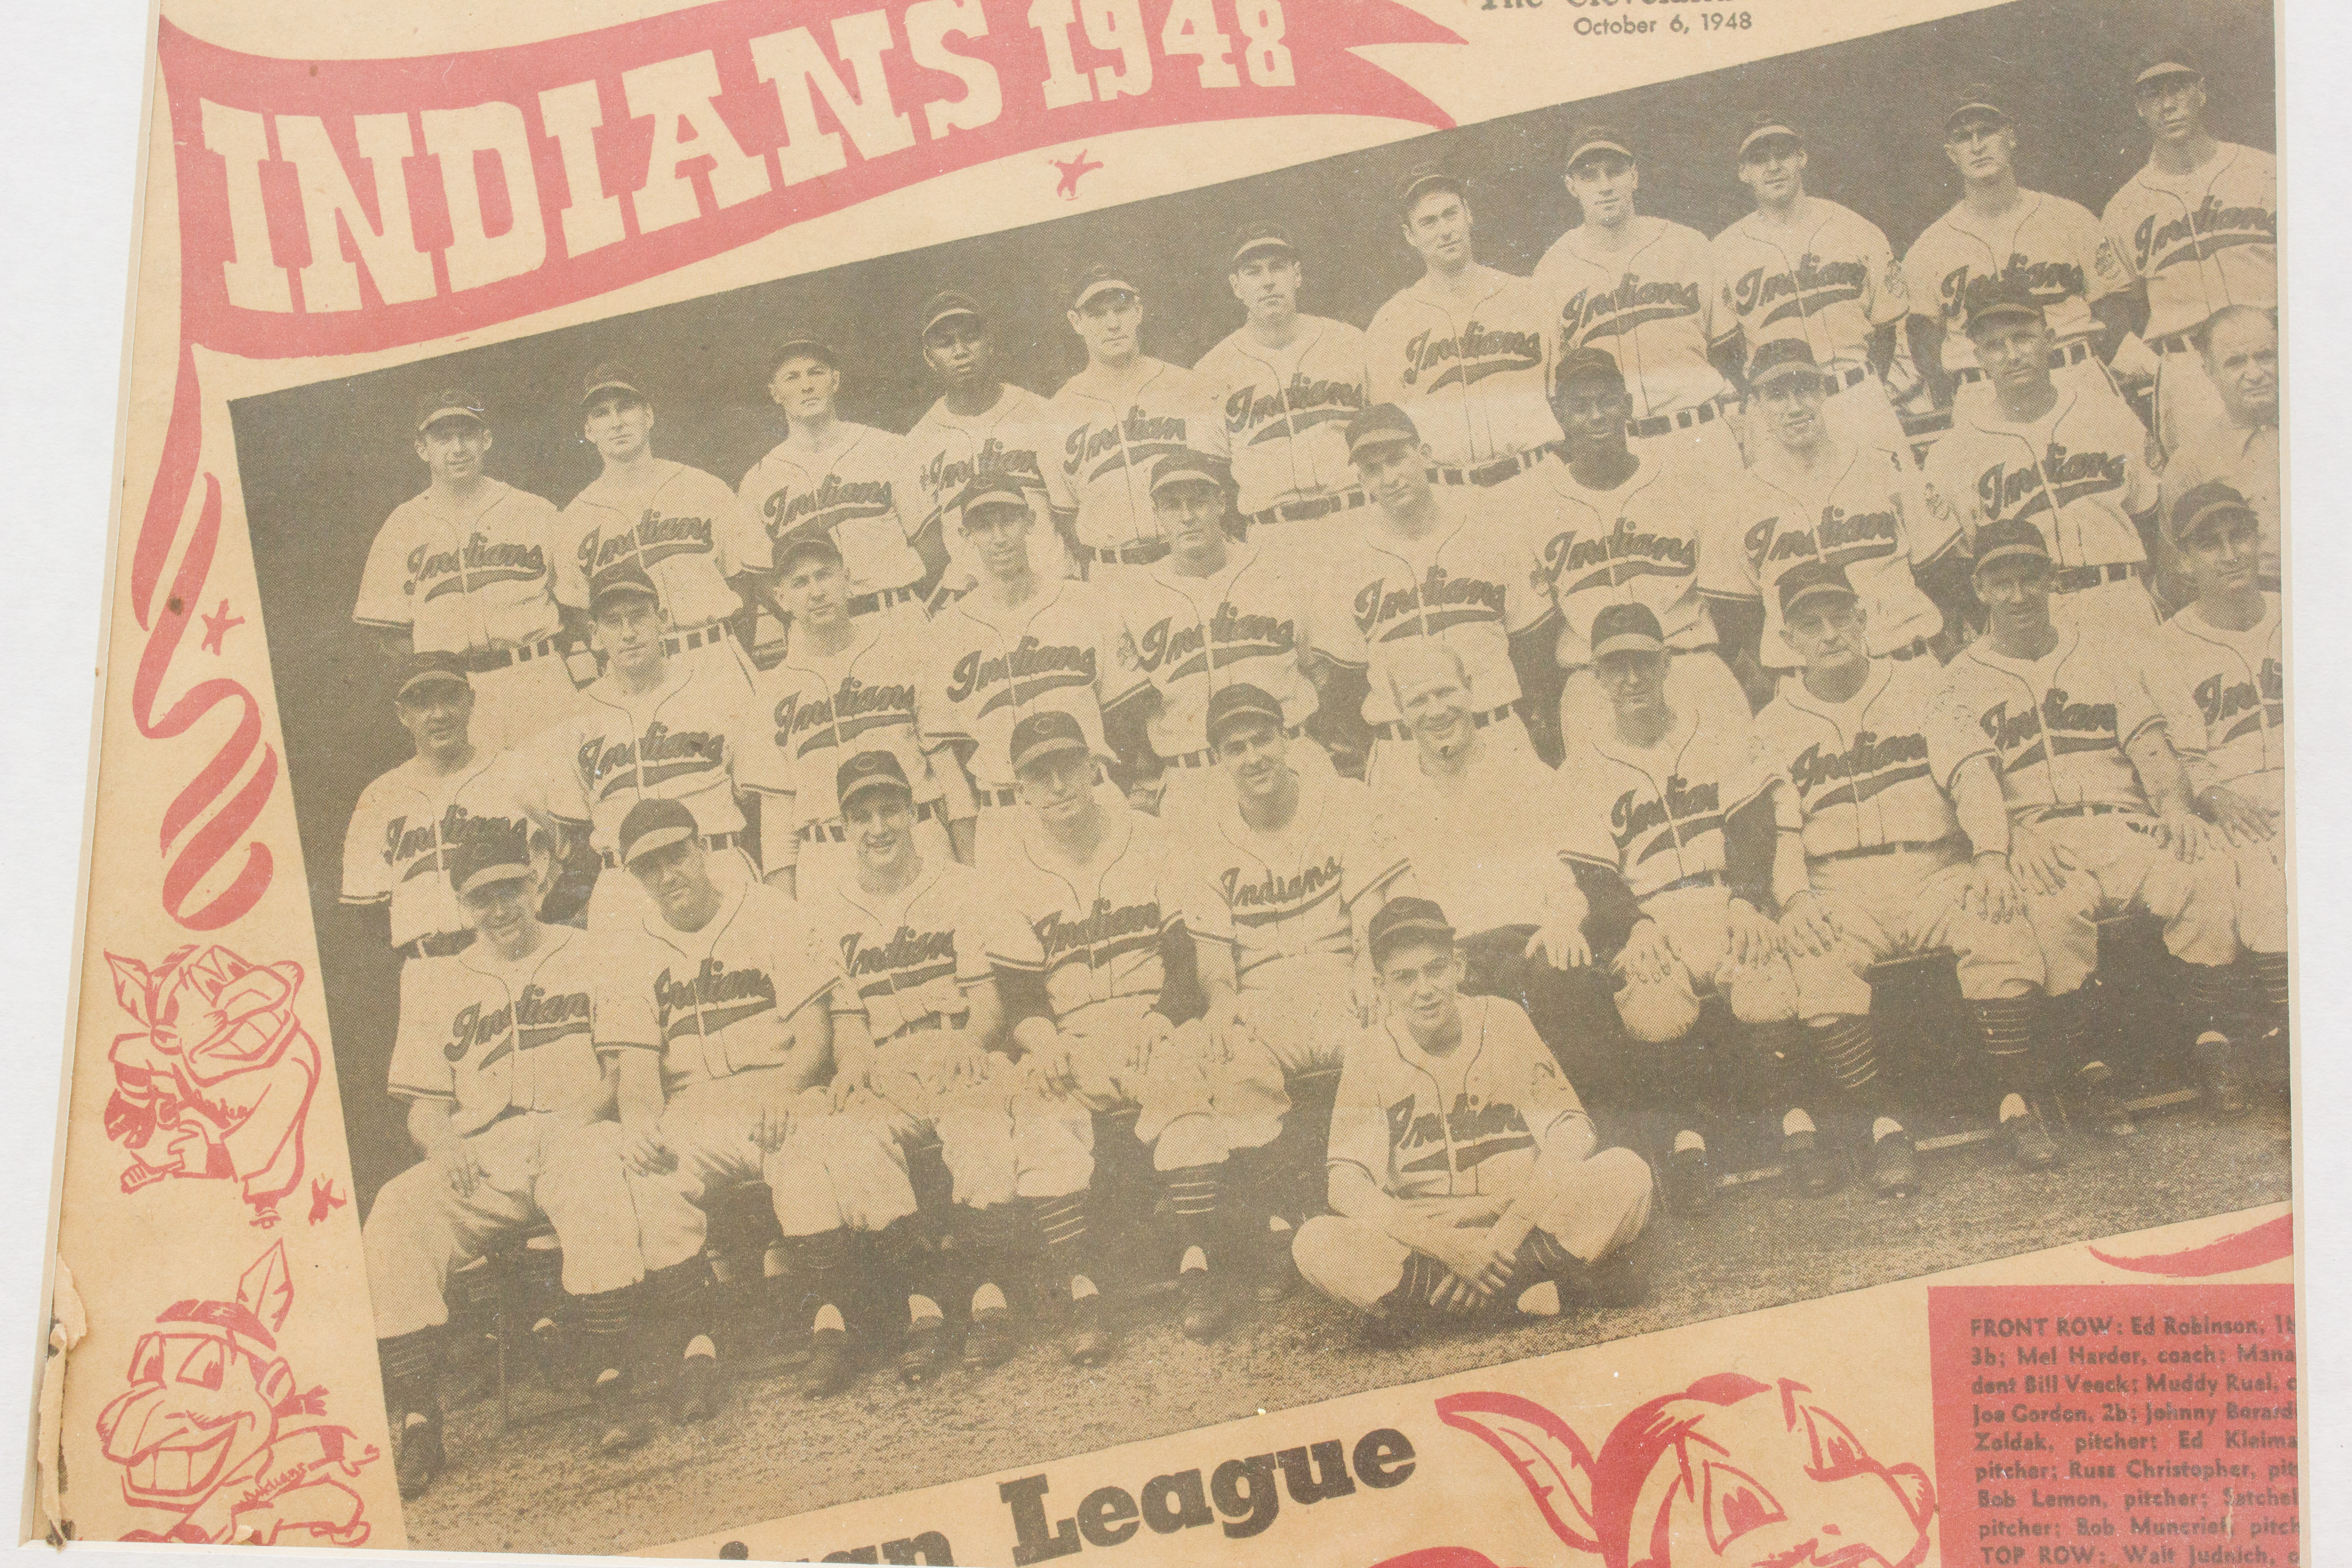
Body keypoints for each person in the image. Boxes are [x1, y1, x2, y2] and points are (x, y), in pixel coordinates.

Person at [364, 822, 705, 1499]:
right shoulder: (434, 981)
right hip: (482, 1150)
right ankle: (419, 1419)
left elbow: (620, 1070)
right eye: (483, 898)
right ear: (464, 905)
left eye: (512, 890)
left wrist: (574, 1121)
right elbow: (424, 1108)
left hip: (576, 1126)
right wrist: (446, 1144)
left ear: (537, 882)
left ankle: (611, 1384)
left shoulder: (592, 952)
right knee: (395, 1213)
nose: (501, 909)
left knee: (594, 1179)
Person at [1923, 517, 2244, 1151]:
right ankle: (2091, 1072)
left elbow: (2150, 745)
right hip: (2040, 835)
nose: (2019, 595)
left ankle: (2214, 1043)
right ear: (1980, 589)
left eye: (2030, 578)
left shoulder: (2100, 650)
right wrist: (2009, 838)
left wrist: (2177, 809)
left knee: (2202, 869)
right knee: (2045, 910)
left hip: (2120, 821)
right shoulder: (1956, 679)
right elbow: (1973, 780)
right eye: (2002, 582)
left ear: (2052, 580)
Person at [600, 797, 921, 1400]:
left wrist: (787, 1087)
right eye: (650, 868)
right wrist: (640, 1123)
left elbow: (815, 1031)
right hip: (692, 1108)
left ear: (703, 849)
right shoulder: (630, 949)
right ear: (636, 879)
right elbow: (638, 1076)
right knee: (645, 1177)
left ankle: (832, 1323)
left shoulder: (770, 910)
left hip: (774, 1085)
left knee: (807, 1153)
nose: (668, 876)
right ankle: (701, 1343)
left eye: (676, 856)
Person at [1757, 562, 2057, 1193]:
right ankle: (1884, 1127)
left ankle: (2015, 1104)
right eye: (1811, 624)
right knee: (1817, 962)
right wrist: (1795, 901)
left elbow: (1974, 777)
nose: (1830, 634)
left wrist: (1992, 858)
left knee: (1998, 920)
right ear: (1788, 641)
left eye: (1841, 618)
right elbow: (1782, 834)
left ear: (1864, 622)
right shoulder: (1771, 725)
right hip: (1839, 884)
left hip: (1933, 867)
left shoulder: (1922, 686)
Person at [1555, 603, 1833, 1213]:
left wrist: (1747, 901)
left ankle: (1798, 1124)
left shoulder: (1719, 737)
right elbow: (1593, 875)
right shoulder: (1581, 769)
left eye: (1643, 664)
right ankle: (1689, 1145)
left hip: (1721, 894)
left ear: (1668, 663)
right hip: (1651, 909)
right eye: (1615, 668)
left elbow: (1756, 830)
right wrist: (1635, 926)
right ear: (1596, 678)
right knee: (1654, 1001)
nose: (1631, 680)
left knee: (1762, 974)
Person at [1291, 897, 1653, 1340]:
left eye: (1435, 969)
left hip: (1527, 1217)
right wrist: (1447, 1247)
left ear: (1458, 966)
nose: (1424, 989)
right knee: (1315, 1242)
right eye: (1404, 977)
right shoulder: (1370, 1053)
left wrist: (1504, 1239)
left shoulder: (1503, 1019)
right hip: (1430, 1238)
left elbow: (1570, 1132)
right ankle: (1536, 1290)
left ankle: (1440, 1310)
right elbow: (1345, 1183)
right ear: (1381, 986)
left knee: (1626, 1173)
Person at [988, 711, 1237, 1351]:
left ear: (1093, 768)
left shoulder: (1149, 839)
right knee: (1040, 1107)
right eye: (1039, 776)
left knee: (1185, 1082)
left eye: (1068, 766)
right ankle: (1082, 1292)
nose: (1058, 785)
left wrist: (1161, 1018)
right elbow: (1018, 997)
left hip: (1151, 1018)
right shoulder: (1010, 872)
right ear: (1021, 791)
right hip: (1071, 1034)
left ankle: (1198, 1266)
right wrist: (1043, 1044)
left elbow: (1184, 960)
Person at [799, 751, 1035, 1379]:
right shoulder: (827, 909)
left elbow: (989, 1007)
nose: (878, 828)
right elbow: (849, 1026)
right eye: (862, 816)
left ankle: (990, 1298)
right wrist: (854, 1067)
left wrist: (970, 1044)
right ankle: (922, 1302)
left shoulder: (960, 885)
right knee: (852, 1139)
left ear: (913, 812)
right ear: (844, 828)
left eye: (890, 811)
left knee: (981, 1128)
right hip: (886, 1064)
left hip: (958, 1048)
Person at [1179, 683, 1410, 1302]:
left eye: (1262, 739)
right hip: (1262, 993)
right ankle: (1284, 1223)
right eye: (1235, 747)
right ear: (1217, 761)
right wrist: (1221, 1001)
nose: (1253, 757)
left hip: (1338, 974)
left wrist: (1367, 968)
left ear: (1287, 740)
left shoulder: (1341, 804)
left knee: (1383, 1036)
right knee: (1232, 1062)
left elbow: (1370, 915)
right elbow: (1212, 961)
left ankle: (1392, 1208)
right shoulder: (1207, 836)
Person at [1368, 642, 1627, 1111]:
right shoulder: (1393, 803)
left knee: (1564, 976)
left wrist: (1563, 923)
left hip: (1533, 945)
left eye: (1446, 692)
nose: (1436, 711)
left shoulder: (1528, 774)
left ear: (1471, 691)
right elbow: (1400, 907)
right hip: (1455, 960)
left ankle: (1608, 1145)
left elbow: (1575, 878)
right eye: (1418, 701)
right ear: (1401, 714)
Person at [1502, 345, 1754, 751]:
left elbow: (1728, 596)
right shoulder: (1536, 508)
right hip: (1594, 679)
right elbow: (1536, 631)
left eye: (1607, 401)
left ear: (1629, 406)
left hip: (1686, 660)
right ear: (1560, 416)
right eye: (1581, 406)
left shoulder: (1681, 484)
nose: (1597, 415)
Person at [1309, 404, 1552, 783]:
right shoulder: (1344, 565)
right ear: (1362, 482)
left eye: (1396, 460)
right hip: (1401, 748)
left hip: (1495, 730)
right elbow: (1345, 682)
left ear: (1424, 455)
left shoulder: (1491, 535)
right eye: (1374, 470)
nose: (1389, 478)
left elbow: (1533, 644)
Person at [732, 534, 972, 900]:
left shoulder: (904, 655)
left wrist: (970, 874)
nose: (816, 592)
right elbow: (778, 828)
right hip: (828, 854)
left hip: (918, 835)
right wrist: (789, 916)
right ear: (781, 599)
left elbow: (952, 781)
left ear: (847, 578)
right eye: (800, 582)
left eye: (823, 575)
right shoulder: (772, 693)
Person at [2146, 483, 2286, 1104]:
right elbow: (2187, 755)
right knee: (2258, 879)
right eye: (2211, 543)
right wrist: (2215, 796)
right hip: (2237, 800)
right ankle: (2284, 1049)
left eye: (2240, 536)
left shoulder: (2302, 610)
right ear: (2184, 560)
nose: (2231, 554)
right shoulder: (2167, 646)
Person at [1920, 280, 2163, 641]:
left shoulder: (2107, 414)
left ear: (2050, 339)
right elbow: (1954, 568)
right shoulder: (1952, 453)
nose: (2012, 355)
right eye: (1994, 346)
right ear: (1978, 358)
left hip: (2122, 598)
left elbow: (2150, 515)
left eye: (2023, 338)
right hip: (2031, 619)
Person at [917, 478, 1141, 864]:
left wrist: (1138, 791)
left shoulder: (1085, 602)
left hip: (1090, 798)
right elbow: (947, 748)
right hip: (1006, 811)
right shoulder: (945, 630)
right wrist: (968, 841)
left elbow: (1126, 712)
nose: (1000, 537)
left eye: (1009, 521)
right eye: (985, 527)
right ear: (965, 535)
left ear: (1031, 521)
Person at [353, 389, 580, 752]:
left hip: (538, 676)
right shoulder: (402, 525)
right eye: (443, 438)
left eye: (467, 435)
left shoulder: (534, 511)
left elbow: (578, 602)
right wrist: (437, 672)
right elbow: (389, 633)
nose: (457, 448)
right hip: (457, 691)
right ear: (422, 449)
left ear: (486, 440)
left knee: (563, 790)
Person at [531, 564, 755, 929]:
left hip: (718, 862)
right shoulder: (575, 716)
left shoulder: (716, 692)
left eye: (639, 617)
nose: (629, 634)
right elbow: (577, 836)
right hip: (626, 883)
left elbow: (755, 801)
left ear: (662, 619)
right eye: (613, 622)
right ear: (594, 634)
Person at [1729, 339, 1965, 678]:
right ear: (1756, 404)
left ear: (1823, 392)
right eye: (1777, 396)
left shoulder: (1883, 468)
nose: (1795, 407)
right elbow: (1739, 611)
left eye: (1805, 390)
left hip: (1904, 661)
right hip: (1810, 683)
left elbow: (1940, 567)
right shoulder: (1739, 499)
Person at [1110, 451, 1323, 826]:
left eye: (1199, 501)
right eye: (1173, 505)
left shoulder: (1277, 573)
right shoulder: (1131, 596)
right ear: (1157, 514)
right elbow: (1128, 709)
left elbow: (1321, 669)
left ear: (1222, 503)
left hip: (1289, 760)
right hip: (1193, 775)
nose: (1187, 516)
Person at [1901, 87, 2137, 418]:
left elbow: (2111, 307)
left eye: (1987, 132)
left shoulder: (2070, 218)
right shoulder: (1929, 247)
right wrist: (1949, 399)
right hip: (1981, 389)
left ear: (2010, 138)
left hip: (2074, 373)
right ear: (1952, 154)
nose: (1977, 145)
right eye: (1964, 137)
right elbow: (1924, 337)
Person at [1533, 125, 1743, 484]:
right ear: (1571, 186)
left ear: (1634, 176)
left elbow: (1730, 350)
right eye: (1589, 176)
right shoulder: (1552, 270)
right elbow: (1554, 385)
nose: (1605, 185)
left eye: (1614, 171)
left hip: (1703, 431)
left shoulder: (1687, 245)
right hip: (1623, 451)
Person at [2100, 48, 2277, 453]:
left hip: (2272, 353)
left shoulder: (2265, 171)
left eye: (2177, 88)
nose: (2168, 104)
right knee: (2211, 496)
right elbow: (2119, 304)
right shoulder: (2124, 208)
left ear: (2200, 92)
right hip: (2188, 369)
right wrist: (2156, 366)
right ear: (2139, 108)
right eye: (2153, 94)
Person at [554, 363, 770, 696]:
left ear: (649, 416)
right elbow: (581, 612)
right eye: (602, 413)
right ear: (589, 429)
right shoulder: (575, 519)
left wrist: (730, 647)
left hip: (713, 655)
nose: (617, 422)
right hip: (638, 675)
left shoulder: (704, 488)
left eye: (626, 407)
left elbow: (742, 583)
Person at [1710, 114, 1912, 459]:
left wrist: (1872, 386)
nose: (1773, 167)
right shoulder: (1723, 251)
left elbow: (1887, 325)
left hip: (1854, 392)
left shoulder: (1855, 229)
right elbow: (1723, 349)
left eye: (1783, 154)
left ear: (1802, 158)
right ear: (1743, 173)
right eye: (1759, 159)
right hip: (1778, 410)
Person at [1191, 224, 1371, 585]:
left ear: (1298, 275)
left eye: (1277, 267)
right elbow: (1212, 474)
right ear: (1236, 286)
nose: (1268, 281)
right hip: (1274, 538)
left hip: (1357, 519)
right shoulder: (1211, 371)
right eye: (1253, 272)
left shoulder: (1350, 343)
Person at [341, 653, 549, 962]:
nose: (439, 715)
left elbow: (563, 863)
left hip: (513, 952)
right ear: (402, 715)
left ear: (471, 701)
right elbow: (367, 907)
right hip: (428, 963)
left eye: (450, 698)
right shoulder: (380, 797)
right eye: (423, 704)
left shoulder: (516, 772)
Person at [735, 338, 934, 658]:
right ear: (775, 393)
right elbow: (763, 580)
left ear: (835, 380)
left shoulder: (889, 449)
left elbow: (931, 545)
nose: (806, 387)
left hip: (895, 615)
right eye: (792, 378)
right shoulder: (758, 480)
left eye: (816, 373)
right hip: (816, 635)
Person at [1365, 167, 1560, 479]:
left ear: (1468, 215)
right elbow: (1393, 430)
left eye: (1450, 214)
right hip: (1451, 484)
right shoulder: (1390, 322)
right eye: (1428, 222)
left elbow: (1559, 393)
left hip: (1536, 469)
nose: (1445, 231)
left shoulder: (1528, 296)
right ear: (1409, 235)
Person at [1047, 265, 1230, 586]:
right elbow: (1066, 514)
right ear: (1076, 322)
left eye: (1121, 310)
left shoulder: (1188, 387)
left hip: (1188, 564)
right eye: (1097, 315)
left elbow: (1223, 480)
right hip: (1114, 571)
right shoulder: (1059, 411)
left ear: (1139, 312)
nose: (1113, 324)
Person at [900, 290, 1075, 595]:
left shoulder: (1041, 413)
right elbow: (931, 549)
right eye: (945, 343)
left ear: (990, 344)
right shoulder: (917, 443)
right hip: (977, 603)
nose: (960, 351)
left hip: (1054, 590)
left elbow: (1071, 517)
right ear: (929, 357)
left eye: (970, 338)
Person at [2156, 306, 2280, 599]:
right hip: (2253, 605)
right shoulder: (2191, 463)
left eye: (2265, 357)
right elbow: (2177, 574)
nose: (2255, 374)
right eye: (2235, 363)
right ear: (2209, 372)